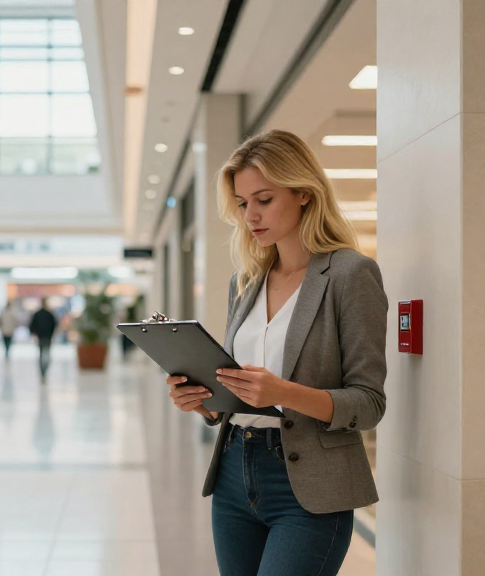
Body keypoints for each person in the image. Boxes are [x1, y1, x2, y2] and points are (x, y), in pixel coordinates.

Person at [165, 130, 387, 576]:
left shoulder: (350, 274)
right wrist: (204, 401)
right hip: (234, 472)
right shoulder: (246, 280)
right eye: (242, 203)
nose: (251, 215)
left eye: (264, 200)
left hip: (310, 484)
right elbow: (237, 389)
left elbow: (369, 404)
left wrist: (284, 393)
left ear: (304, 192)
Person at [29, 299, 57, 383]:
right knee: (47, 355)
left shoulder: (38, 314)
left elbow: (32, 326)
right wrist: (51, 334)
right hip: (47, 337)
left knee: (41, 355)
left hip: (41, 337)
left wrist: (35, 334)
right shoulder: (49, 314)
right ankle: (44, 372)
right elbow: (54, 325)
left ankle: (42, 373)